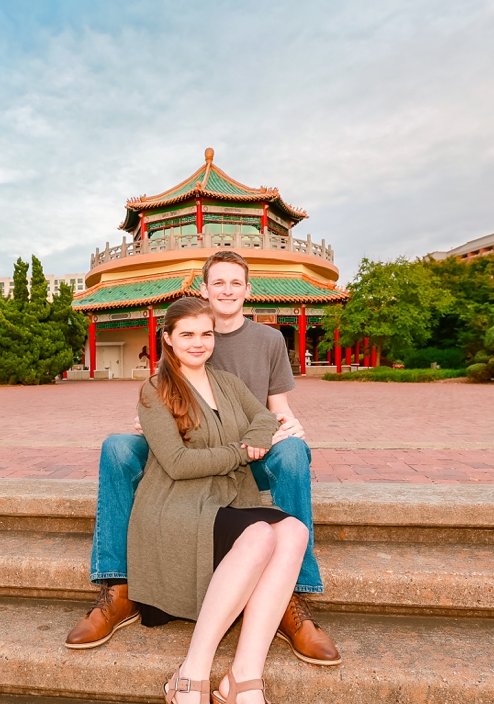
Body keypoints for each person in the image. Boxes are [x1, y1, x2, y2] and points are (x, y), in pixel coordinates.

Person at [65, 250, 342, 666]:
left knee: (294, 452)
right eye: (218, 283)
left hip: (250, 444)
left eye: (236, 283)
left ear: (248, 290)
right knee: (118, 447)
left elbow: (273, 408)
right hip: (188, 439)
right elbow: (167, 407)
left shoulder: (266, 340)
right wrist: (157, 420)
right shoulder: (180, 350)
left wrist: (285, 426)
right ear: (204, 290)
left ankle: (293, 597)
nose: (227, 290)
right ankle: (117, 584)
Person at [128, 294, 308, 704]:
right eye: (187, 334)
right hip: (177, 507)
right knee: (261, 534)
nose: (198, 342)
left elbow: (265, 415)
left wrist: (254, 438)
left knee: (293, 532)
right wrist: (241, 453)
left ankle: (242, 683)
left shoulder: (226, 382)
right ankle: (190, 678)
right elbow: (178, 462)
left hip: (228, 497)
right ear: (167, 339)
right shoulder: (155, 391)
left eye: (206, 333)